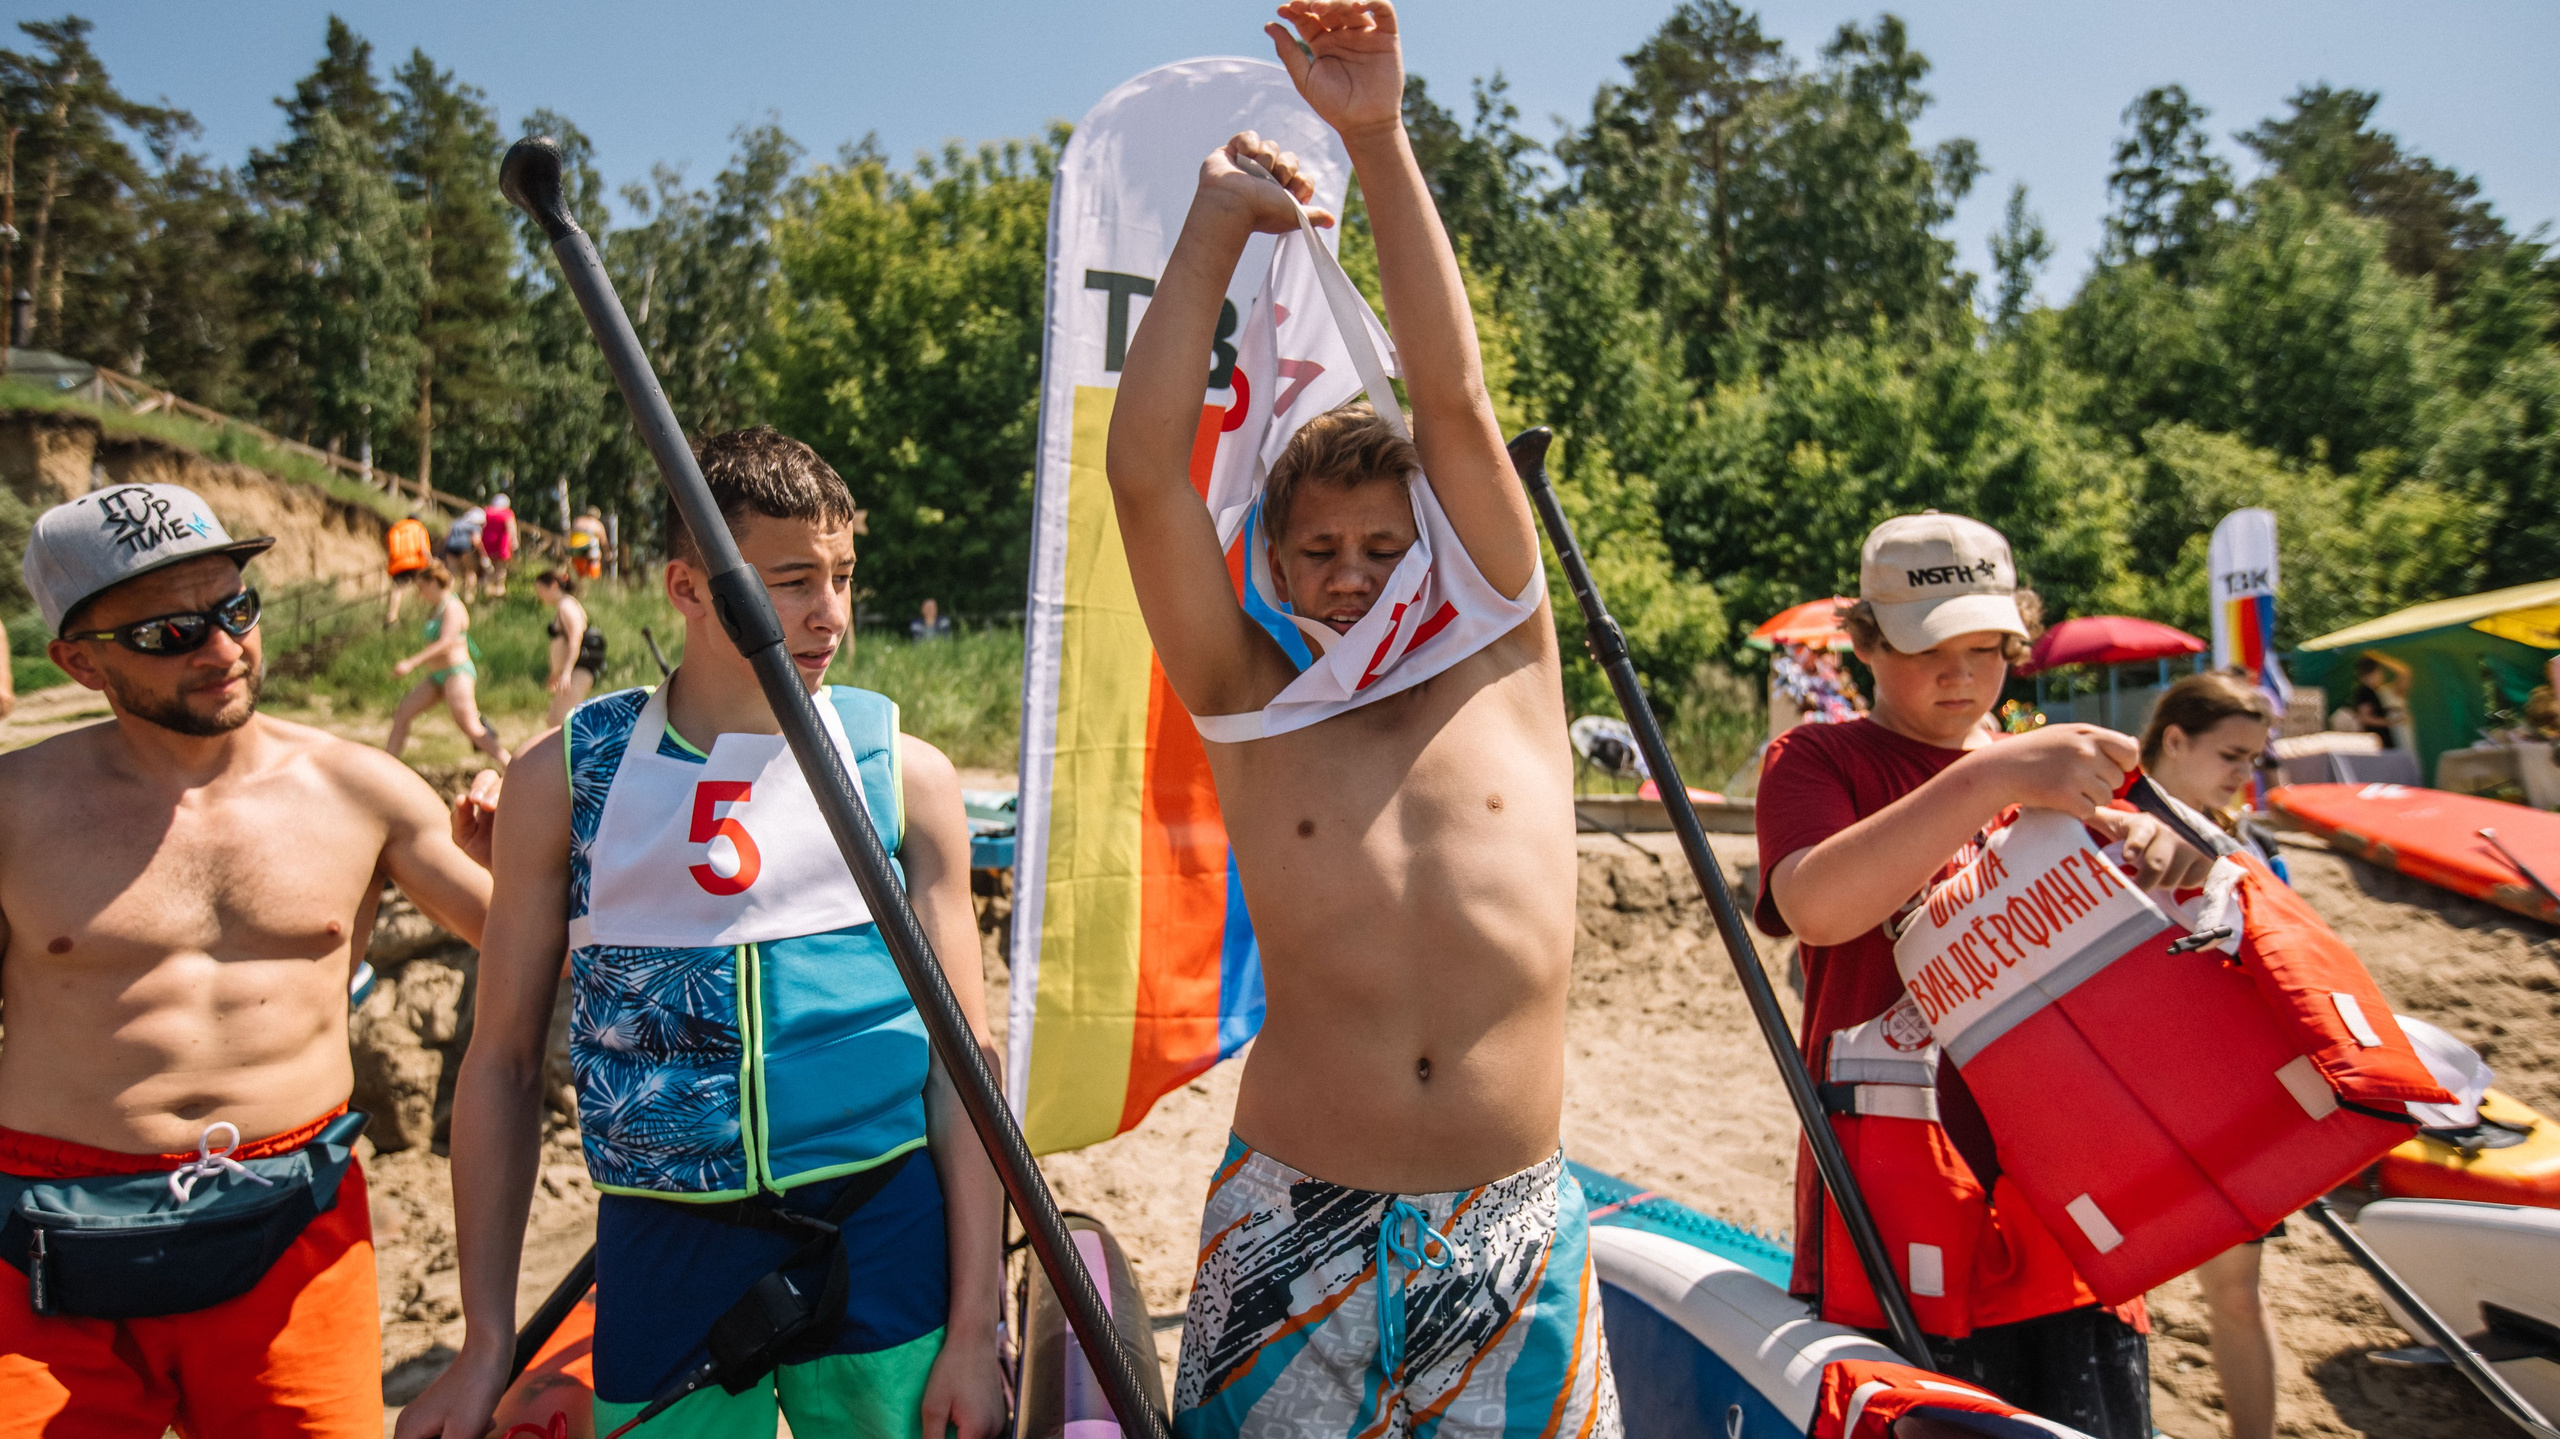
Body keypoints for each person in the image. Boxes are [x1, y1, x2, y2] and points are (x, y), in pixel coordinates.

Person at [1106, 7, 1616, 1436]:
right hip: (1292, 1216)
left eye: (1384, 546)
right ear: (1267, 563)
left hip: (1514, 1221)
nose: (1348, 572)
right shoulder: (1252, 701)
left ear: (1439, 547)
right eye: (1315, 547)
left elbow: (1448, 396)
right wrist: (1212, 227)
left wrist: (1378, 137)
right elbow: (1145, 477)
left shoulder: (1505, 648)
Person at [398, 427, 1007, 1439]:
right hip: (663, 1237)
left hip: (882, 1228)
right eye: (792, 580)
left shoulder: (907, 771)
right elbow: (499, 1061)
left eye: (844, 575)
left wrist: (975, 1327)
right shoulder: (568, 776)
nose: (831, 615)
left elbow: (966, 1064)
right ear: (688, 586)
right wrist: (483, 1345)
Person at [0, 481, 498, 1436]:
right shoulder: (17, 811)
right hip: (48, 1248)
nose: (225, 649)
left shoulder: (363, 792)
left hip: (292, 1234)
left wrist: (517, 860)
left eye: (237, 609)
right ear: (78, 662)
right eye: (169, 633)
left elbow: (551, 954)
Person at [1755, 511, 2213, 1439]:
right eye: (1929, 649)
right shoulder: (1820, 759)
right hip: (1899, 1198)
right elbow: (1816, 906)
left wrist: (2173, 857)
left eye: (1987, 648)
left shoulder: (2061, 766)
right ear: (1867, 643)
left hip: (2069, 1192)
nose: (1960, 676)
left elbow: (2184, 935)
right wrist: (1995, 776)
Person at [2138, 671, 2285, 1439]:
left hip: (2219, 1091)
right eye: (2231, 754)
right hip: (2121, 1086)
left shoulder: (2243, 841)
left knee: (2234, 1293)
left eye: (2254, 759)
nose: (2242, 774)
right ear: (2174, 740)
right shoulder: (2100, 821)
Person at [387, 564, 510, 768]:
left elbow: (447, 642)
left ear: (434, 583)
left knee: (470, 726)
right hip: (437, 676)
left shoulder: (453, 606)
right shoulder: (438, 608)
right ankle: (387, 765)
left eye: (422, 587)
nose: (420, 594)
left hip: (456, 673)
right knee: (403, 713)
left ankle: (509, 764)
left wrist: (411, 663)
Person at [534, 568, 605, 731]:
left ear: (552, 586)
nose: (539, 595)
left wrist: (566, 672)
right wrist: (556, 672)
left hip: (576, 672)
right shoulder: (565, 605)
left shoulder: (567, 606)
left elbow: (575, 639)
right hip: (571, 672)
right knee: (555, 720)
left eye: (540, 590)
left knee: (560, 725)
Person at [2348, 653, 2411, 750]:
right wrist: (2391, 722)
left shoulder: (2387, 692)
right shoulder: (2367, 692)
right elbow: (2364, 718)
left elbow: (2404, 673)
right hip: (2383, 742)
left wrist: (2378, 657)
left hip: (2398, 736)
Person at [385, 512, 434, 624]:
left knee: (397, 590)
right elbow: (423, 547)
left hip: (398, 564)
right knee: (423, 586)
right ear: (418, 520)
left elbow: (390, 549)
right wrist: (430, 560)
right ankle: (422, 613)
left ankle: (391, 617)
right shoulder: (419, 527)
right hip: (415, 563)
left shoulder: (397, 528)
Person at [443, 503, 487, 600]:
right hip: (465, 549)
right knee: (471, 572)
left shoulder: (456, 522)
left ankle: (449, 596)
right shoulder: (474, 526)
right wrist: (483, 555)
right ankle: (468, 596)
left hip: (451, 549)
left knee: (451, 573)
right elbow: (476, 540)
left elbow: (446, 537)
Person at [480, 493, 517, 599]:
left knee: (488, 570)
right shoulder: (507, 513)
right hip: (502, 546)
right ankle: (498, 593)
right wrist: (514, 543)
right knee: (500, 571)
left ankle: (486, 593)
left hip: (486, 546)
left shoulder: (486, 511)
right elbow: (510, 527)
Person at [569, 505, 609, 581]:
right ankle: (593, 577)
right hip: (588, 548)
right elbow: (604, 542)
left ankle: (578, 578)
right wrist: (607, 552)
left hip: (574, 549)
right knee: (596, 554)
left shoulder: (578, 520)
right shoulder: (597, 524)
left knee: (578, 568)